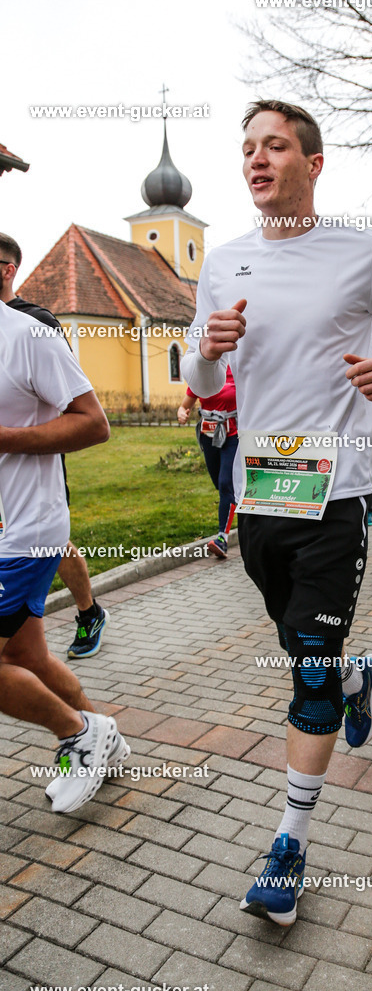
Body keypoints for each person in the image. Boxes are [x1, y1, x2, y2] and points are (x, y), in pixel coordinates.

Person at [181, 99, 372, 925]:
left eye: (275, 147)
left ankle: (287, 848)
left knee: (305, 669)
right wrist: (207, 352)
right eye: (247, 148)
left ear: (313, 163)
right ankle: (356, 675)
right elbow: (194, 382)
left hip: (336, 496)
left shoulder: (364, 251)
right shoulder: (222, 262)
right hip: (260, 495)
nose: (256, 160)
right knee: (309, 648)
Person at [0, 298, 130, 812]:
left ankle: (78, 734)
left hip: (22, 531)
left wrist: (3, 440)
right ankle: (108, 743)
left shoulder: (28, 337)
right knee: (25, 657)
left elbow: (94, 423)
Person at [0, 234, 109, 659]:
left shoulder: (35, 324)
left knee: (53, 542)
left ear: (8, 270)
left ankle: (88, 611)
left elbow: (81, 410)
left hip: (36, 463)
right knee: (27, 657)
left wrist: (11, 440)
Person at [177, 366, 238, 559]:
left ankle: (222, 538)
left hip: (233, 436)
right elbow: (185, 404)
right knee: (221, 486)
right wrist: (181, 413)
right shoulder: (201, 374)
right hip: (208, 436)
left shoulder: (236, 371)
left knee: (225, 483)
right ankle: (240, 513)